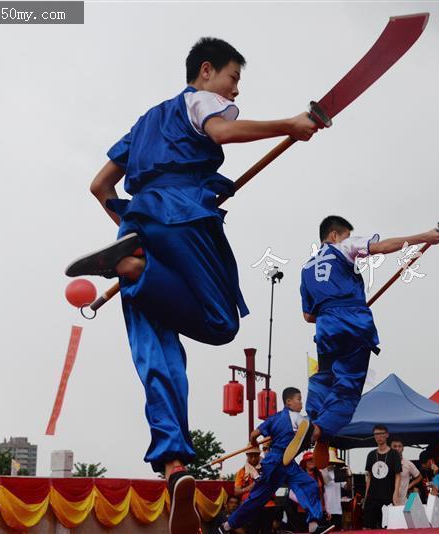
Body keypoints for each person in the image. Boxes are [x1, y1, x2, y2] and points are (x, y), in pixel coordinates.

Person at [69, 37, 320, 534]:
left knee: (157, 355)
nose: (235, 91)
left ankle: (175, 467)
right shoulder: (198, 101)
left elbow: (100, 186)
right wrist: (288, 125)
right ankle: (138, 271)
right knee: (220, 322)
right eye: (233, 79)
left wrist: (129, 221)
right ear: (206, 71)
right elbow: (222, 132)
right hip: (183, 218)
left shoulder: (143, 123)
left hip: (135, 229)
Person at [289, 216, 439, 466]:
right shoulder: (342, 247)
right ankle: (318, 431)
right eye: (348, 235)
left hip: (325, 326)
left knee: (325, 377)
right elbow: (382, 247)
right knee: (347, 386)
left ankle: (316, 422)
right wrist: (425, 237)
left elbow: (308, 315)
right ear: (334, 235)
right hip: (352, 321)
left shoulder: (306, 269)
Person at [222, 387, 331, 534]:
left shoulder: (272, 419)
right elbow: (313, 432)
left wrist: (253, 441)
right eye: (298, 399)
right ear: (288, 402)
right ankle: (228, 525)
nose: (301, 403)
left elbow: (254, 434)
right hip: (278, 461)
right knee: (304, 486)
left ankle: (313, 526)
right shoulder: (299, 418)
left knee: (308, 484)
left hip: (283, 462)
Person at [362, 425, 401, 529]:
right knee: (367, 527)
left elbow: (398, 475)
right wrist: (366, 496)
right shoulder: (371, 455)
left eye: (381, 434)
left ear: (387, 435)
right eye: (376, 434)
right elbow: (369, 477)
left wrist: (396, 493)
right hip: (372, 496)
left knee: (387, 526)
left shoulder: (394, 454)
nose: (379, 437)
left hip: (388, 495)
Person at [321, 450, 349, 531]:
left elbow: (347, 487)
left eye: (332, 462)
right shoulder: (320, 472)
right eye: (329, 461)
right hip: (325, 509)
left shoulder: (338, 472)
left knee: (337, 531)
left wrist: (348, 476)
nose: (330, 463)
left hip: (337, 509)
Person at [390, 437, 422, 506]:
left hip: (402, 501)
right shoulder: (386, 463)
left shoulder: (408, 463)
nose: (397, 448)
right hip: (387, 500)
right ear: (390, 448)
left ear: (403, 448)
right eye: (394, 446)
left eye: (399, 446)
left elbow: (419, 476)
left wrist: (409, 486)